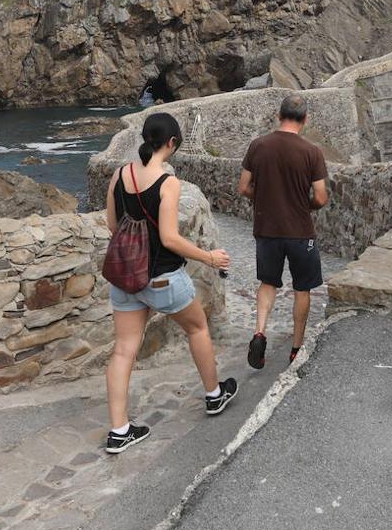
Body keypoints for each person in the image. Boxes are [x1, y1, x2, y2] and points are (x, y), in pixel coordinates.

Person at [103, 112, 237, 454]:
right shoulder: (168, 183)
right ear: (172, 143)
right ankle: (214, 395)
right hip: (162, 278)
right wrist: (209, 258)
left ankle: (119, 430)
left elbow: (111, 224)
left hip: (126, 277)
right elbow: (170, 238)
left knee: (123, 350)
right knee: (197, 328)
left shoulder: (119, 175)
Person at [238, 94, 329, 369]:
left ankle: (260, 331)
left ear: (279, 116)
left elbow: (243, 187)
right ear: (305, 120)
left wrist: (262, 197)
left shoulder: (258, 146)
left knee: (268, 284)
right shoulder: (312, 152)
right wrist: (306, 204)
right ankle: (296, 347)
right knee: (302, 288)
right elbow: (321, 197)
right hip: (300, 231)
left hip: (266, 230)